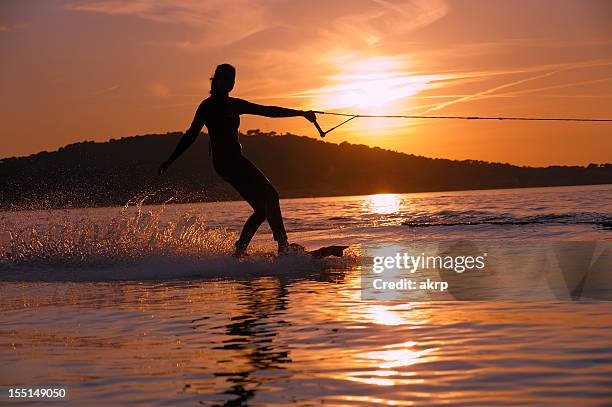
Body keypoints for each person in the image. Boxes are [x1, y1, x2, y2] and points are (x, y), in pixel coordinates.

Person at [158, 63, 318, 257]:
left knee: (261, 209)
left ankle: (239, 251)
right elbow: (191, 135)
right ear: (216, 81)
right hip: (227, 162)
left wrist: (301, 114)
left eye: (232, 80)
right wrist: (170, 160)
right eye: (225, 79)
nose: (229, 83)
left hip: (234, 161)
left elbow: (267, 110)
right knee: (272, 196)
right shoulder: (207, 106)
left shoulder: (235, 104)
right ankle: (283, 247)